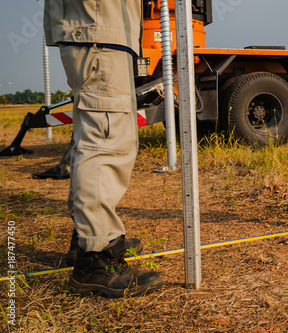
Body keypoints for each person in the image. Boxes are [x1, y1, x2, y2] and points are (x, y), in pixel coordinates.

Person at [44, 0, 163, 297]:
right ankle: (96, 258)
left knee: (96, 136)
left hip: (97, 29)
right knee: (105, 142)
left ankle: (86, 237)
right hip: (99, 29)